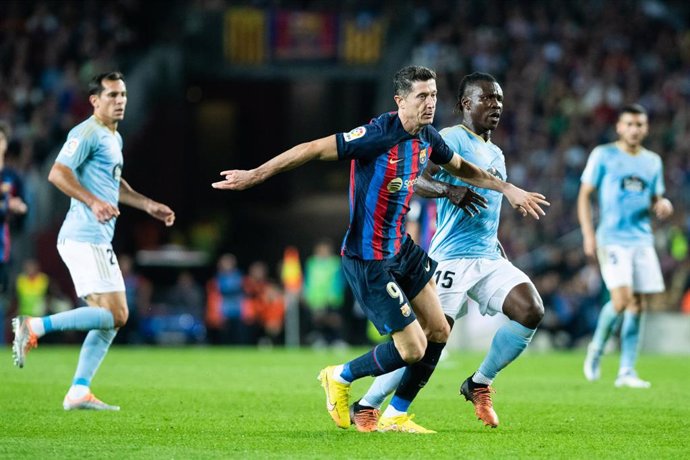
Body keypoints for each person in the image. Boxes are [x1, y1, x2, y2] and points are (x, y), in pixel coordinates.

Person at [213, 65, 549, 433]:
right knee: (412, 348)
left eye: (433, 95)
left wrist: (507, 189)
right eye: (421, 96)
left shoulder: (429, 138)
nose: (429, 103)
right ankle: (340, 376)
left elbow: (464, 169)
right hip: (369, 257)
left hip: (403, 250)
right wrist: (255, 175)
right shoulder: (375, 135)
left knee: (438, 330)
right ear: (400, 100)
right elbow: (311, 149)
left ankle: (397, 415)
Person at [349, 72, 545, 431]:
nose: (496, 105)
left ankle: (480, 382)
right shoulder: (450, 138)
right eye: (487, 98)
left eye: (499, 99)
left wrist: (497, 237)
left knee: (530, 309)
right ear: (466, 104)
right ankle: (367, 403)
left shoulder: (495, 153)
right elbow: (415, 176)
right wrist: (446, 190)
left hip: (488, 256)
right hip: (451, 259)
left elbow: (488, 207)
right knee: (426, 340)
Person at [11, 71, 175, 410]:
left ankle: (79, 390)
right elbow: (57, 173)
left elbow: (114, 182)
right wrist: (93, 201)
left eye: (123, 95)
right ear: (94, 100)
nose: (120, 102)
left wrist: (147, 205)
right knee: (113, 315)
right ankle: (34, 325)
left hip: (98, 238)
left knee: (116, 316)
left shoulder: (113, 138)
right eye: (112, 95)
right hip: (82, 236)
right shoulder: (85, 131)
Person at [578, 103, 673, 388]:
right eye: (629, 124)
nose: (634, 129)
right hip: (612, 238)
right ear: (619, 127)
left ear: (646, 128)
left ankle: (626, 371)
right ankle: (596, 349)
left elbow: (656, 197)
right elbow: (584, 195)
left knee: (638, 304)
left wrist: (663, 204)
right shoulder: (603, 155)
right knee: (620, 301)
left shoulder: (652, 161)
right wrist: (588, 234)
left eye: (640, 124)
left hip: (642, 239)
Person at [0, 121, 28, 345]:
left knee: (2, 299)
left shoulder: (12, 176)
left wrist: (18, 207)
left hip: (4, 246)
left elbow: (24, 207)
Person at [303, 238, 347, 347]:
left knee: (334, 319)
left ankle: (336, 340)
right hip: (316, 298)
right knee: (318, 320)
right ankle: (320, 340)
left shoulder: (335, 262)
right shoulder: (311, 262)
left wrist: (336, 293)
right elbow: (307, 279)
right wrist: (306, 293)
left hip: (333, 297)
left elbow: (341, 279)